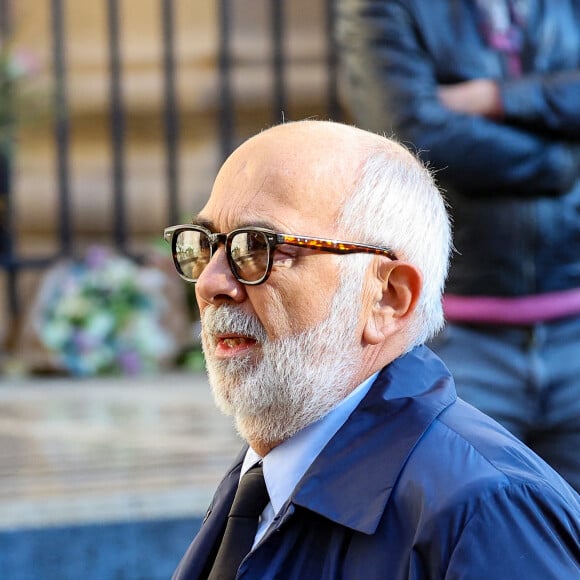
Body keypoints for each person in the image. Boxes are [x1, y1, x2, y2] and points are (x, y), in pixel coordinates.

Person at [164, 120, 579, 579]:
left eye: (260, 247)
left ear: (388, 298)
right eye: (204, 246)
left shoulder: (488, 510)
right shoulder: (270, 474)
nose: (211, 282)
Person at [335, 0, 580, 492]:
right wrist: (561, 162)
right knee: (464, 538)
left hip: (573, 329)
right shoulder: (382, 8)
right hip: (452, 339)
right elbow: (412, 133)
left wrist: (493, 97)